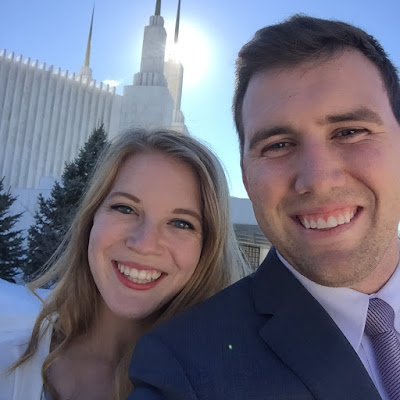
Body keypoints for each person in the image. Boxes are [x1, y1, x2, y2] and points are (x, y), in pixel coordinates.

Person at [128, 15, 400, 400]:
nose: (318, 179)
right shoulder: (183, 370)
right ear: (246, 175)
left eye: (350, 131)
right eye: (277, 145)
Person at [0, 128, 248, 400]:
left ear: (207, 248)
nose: (144, 244)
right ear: (91, 218)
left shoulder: (226, 386)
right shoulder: (8, 363)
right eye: (125, 208)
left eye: (181, 223)